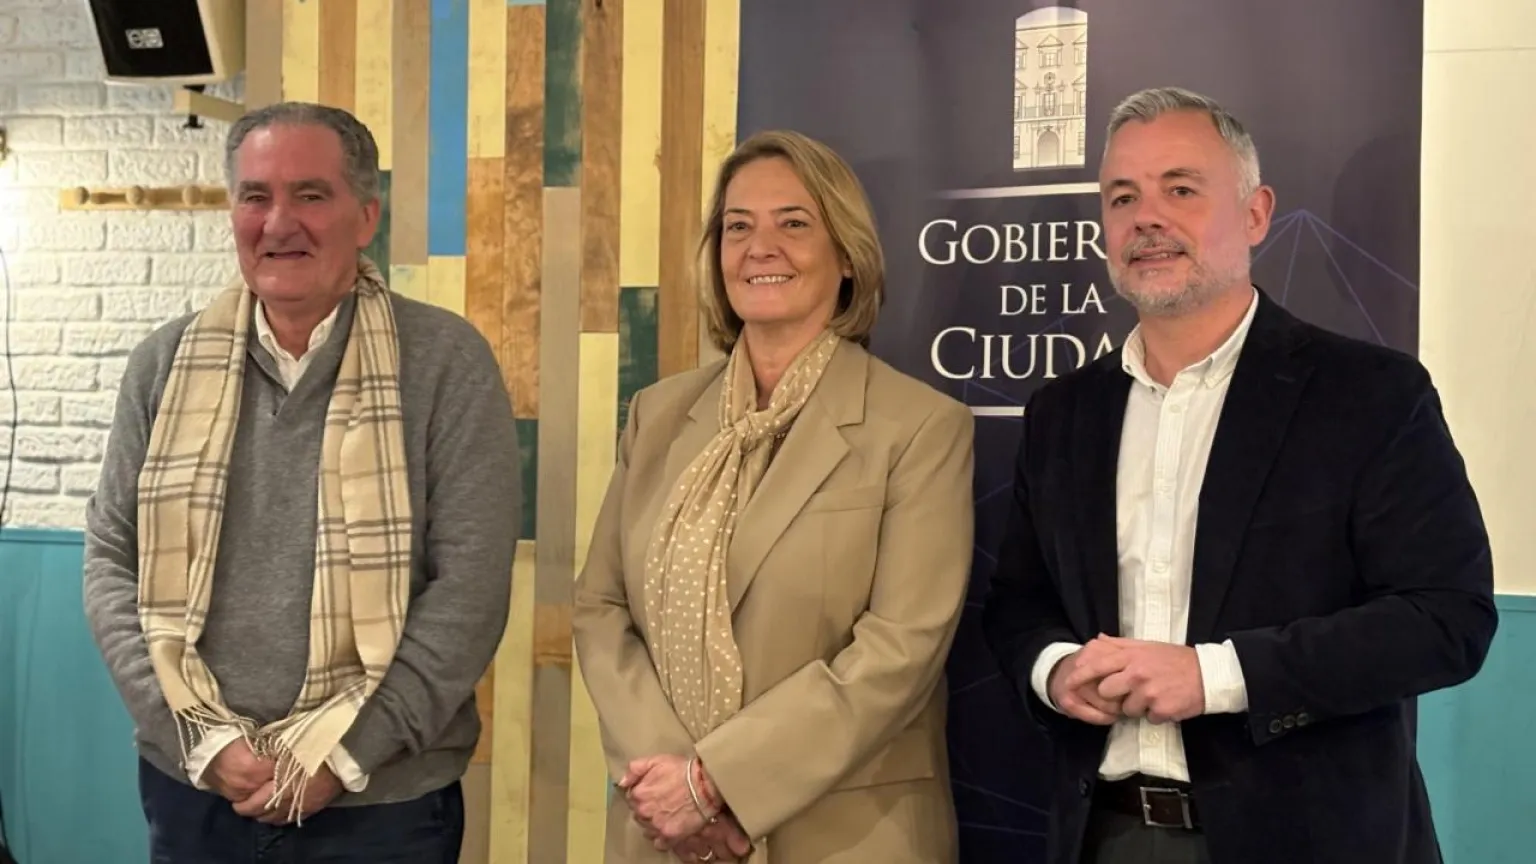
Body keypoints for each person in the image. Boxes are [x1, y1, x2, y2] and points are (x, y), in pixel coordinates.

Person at [982, 86, 1498, 864]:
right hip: (1106, 835)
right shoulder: (1064, 413)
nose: (1147, 218)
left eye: (1181, 190)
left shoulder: (1369, 395)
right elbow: (1019, 602)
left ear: (1256, 215)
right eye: (1123, 197)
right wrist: (1056, 672)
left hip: (1310, 841)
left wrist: (1215, 676)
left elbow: (1446, 620)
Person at [82, 102, 521, 862]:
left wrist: (343, 756)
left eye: (310, 195)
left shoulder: (447, 362)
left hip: (382, 803)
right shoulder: (162, 364)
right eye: (255, 196)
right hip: (197, 791)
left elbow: (471, 588)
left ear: (366, 215)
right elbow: (111, 561)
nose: (278, 223)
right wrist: (200, 742)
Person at [571, 130, 976, 863]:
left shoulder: (920, 427)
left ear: (847, 255)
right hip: (664, 832)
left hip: (844, 835)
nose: (761, 248)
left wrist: (718, 783)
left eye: (793, 223)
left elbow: (901, 650)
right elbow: (601, 607)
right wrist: (675, 784)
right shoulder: (658, 415)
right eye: (738, 227)